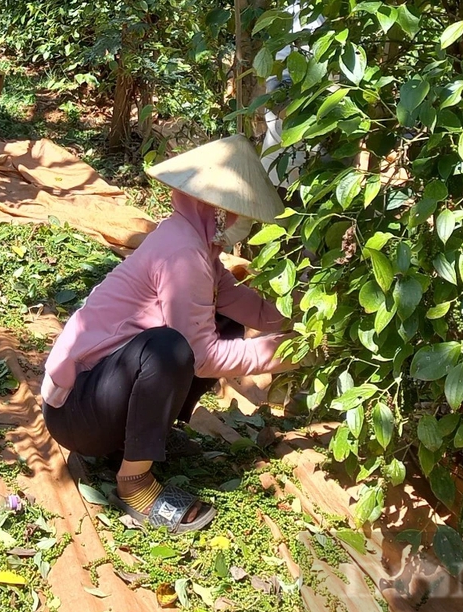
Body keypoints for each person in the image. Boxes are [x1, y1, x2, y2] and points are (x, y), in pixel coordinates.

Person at [41, 135, 292, 532]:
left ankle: (139, 441)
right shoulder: (182, 252)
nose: (241, 222)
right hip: (76, 412)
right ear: (212, 207)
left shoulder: (196, 243)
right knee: (170, 349)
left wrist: (299, 324)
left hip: (101, 393)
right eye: (234, 211)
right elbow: (202, 356)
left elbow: (235, 300)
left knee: (223, 321)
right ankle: (134, 482)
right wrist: (285, 352)